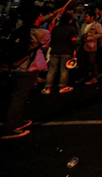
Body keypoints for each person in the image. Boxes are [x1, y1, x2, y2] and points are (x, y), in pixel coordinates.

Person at [2, 10, 50, 139]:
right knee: (20, 97)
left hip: (16, 66)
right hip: (29, 68)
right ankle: (9, 127)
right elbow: (44, 47)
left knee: (16, 95)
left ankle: (17, 120)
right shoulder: (42, 33)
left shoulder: (20, 29)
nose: (42, 16)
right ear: (36, 18)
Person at [42, 13, 77, 94]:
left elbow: (52, 41)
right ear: (70, 20)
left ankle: (47, 87)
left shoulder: (55, 29)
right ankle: (62, 86)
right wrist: (74, 53)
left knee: (51, 69)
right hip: (66, 51)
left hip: (54, 51)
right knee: (64, 69)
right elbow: (73, 42)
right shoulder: (71, 29)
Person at [78, 9, 102, 85]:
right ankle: (85, 76)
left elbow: (101, 34)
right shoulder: (83, 25)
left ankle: (94, 77)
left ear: (92, 17)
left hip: (91, 45)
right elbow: (80, 34)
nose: (85, 18)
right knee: (83, 62)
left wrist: (91, 37)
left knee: (92, 61)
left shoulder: (97, 25)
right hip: (83, 45)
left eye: (86, 17)